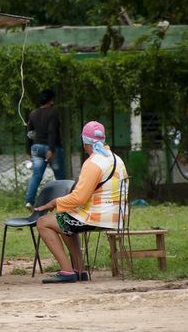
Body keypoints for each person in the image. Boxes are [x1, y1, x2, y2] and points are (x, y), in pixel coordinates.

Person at [35, 121, 128, 283]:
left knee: (43, 222)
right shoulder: (116, 158)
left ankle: (67, 271)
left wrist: (53, 203)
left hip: (97, 217)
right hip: (117, 216)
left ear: (84, 142)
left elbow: (79, 198)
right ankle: (79, 270)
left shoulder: (93, 163)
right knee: (64, 218)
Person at [24, 89, 66, 209]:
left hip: (36, 148)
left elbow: (30, 133)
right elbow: (52, 131)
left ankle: (29, 201)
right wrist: (51, 149)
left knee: (36, 175)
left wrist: (28, 151)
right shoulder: (53, 112)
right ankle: (64, 202)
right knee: (60, 177)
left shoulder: (33, 113)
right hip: (51, 147)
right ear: (51, 100)